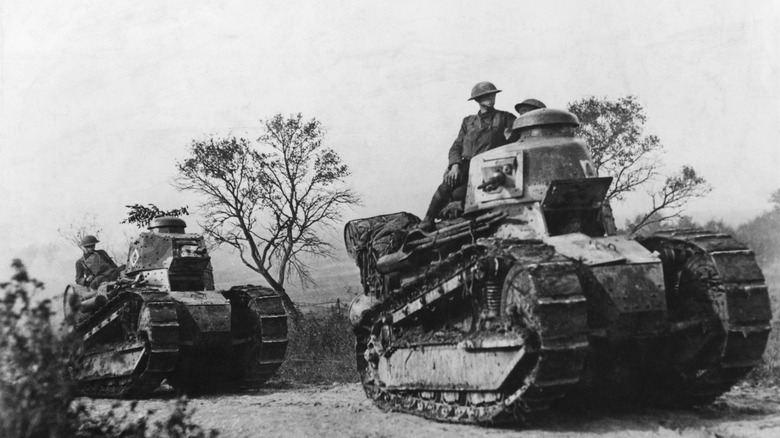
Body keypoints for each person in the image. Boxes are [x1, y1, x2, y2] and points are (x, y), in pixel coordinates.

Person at [419, 81, 516, 231]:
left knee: (468, 194)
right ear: (477, 100)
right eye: (485, 96)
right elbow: (457, 145)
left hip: (491, 164)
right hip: (467, 164)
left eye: (492, 95)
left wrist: (511, 134)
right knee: (447, 184)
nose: (490, 98)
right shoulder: (468, 122)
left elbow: (517, 133)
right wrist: (455, 165)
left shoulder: (504, 117)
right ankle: (428, 219)